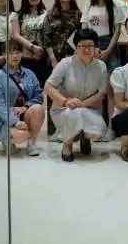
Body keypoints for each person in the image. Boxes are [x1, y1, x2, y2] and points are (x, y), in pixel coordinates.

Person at [45, 29, 108, 162]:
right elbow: (48, 86)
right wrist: (65, 101)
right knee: (73, 114)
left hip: (89, 108)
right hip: (65, 109)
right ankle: (67, 144)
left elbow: (101, 93)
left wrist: (83, 104)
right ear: (76, 47)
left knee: (98, 132)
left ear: (96, 47)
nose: (87, 49)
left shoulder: (101, 66)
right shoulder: (65, 63)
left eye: (90, 45)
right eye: (82, 46)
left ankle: (85, 137)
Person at [81, 0, 126, 138]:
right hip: (91, 46)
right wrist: (91, 48)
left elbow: (117, 31)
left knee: (111, 89)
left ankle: (111, 128)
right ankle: (94, 127)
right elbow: (84, 29)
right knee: (94, 89)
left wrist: (108, 50)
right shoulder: (88, 5)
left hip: (110, 47)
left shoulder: (114, 6)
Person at [40, 0, 82, 138]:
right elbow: (46, 38)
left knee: (71, 91)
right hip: (55, 59)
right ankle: (54, 130)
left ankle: (72, 129)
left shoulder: (78, 14)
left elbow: (81, 38)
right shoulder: (50, 14)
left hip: (74, 59)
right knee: (54, 93)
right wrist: (53, 59)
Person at [0, 42, 45, 156]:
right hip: (6, 116)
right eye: (10, 53)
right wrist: (15, 122)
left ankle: (31, 142)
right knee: (12, 149)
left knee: (38, 109)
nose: (15, 56)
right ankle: (11, 138)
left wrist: (26, 107)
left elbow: (39, 96)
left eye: (18, 52)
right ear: (4, 54)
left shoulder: (30, 74)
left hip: (25, 113)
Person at [12, 0, 49, 85]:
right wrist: (33, 47)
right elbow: (15, 35)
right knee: (27, 88)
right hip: (26, 59)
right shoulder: (18, 15)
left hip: (43, 59)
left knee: (43, 88)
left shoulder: (47, 14)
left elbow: (49, 36)